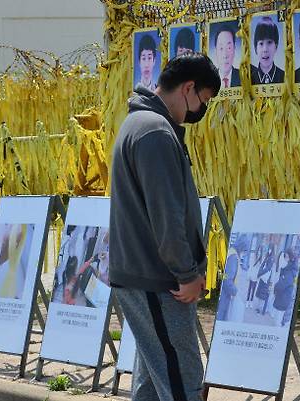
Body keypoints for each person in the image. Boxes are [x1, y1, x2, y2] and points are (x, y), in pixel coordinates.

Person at [109, 53, 220, 401]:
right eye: (203, 100)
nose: (199, 111)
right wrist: (186, 273)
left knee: (153, 382)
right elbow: (166, 215)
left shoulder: (141, 124)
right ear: (189, 88)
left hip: (144, 277)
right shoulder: (155, 132)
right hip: (160, 281)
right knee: (181, 379)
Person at [251, 16, 285, 85]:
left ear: (276, 46)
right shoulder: (250, 78)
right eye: (261, 43)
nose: (265, 49)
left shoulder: (284, 76)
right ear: (255, 48)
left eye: (269, 42)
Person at [213, 23, 240, 88]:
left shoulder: (243, 77)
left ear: (234, 49)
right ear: (216, 51)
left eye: (229, 48)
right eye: (221, 48)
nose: (225, 55)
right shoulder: (209, 80)